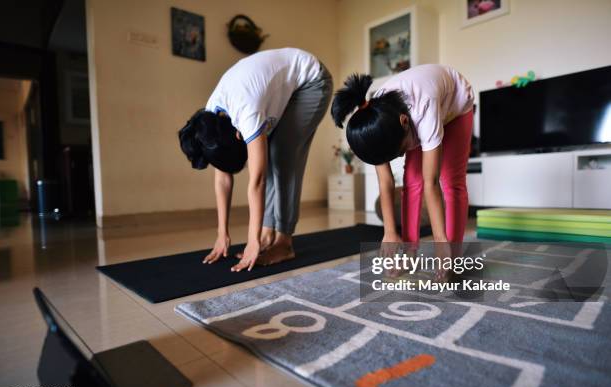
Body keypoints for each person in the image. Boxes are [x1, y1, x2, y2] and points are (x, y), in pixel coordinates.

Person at [179, 48, 332, 272]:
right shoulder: (210, 124)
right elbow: (222, 178)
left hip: (313, 81)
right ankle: (268, 233)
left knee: (281, 156)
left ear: (238, 134)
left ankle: (284, 243)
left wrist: (252, 241)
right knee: (269, 154)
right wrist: (222, 234)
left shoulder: (246, 112)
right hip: (277, 85)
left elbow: (257, 180)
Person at [331, 65, 474, 251]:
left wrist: (440, 241)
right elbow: (386, 182)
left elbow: (431, 182)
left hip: (456, 105)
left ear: (405, 123)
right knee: (411, 180)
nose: (401, 156)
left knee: (450, 180)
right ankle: (409, 250)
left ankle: (451, 254)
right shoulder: (376, 124)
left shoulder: (423, 109)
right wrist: (389, 232)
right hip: (413, 111)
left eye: (401, 151)